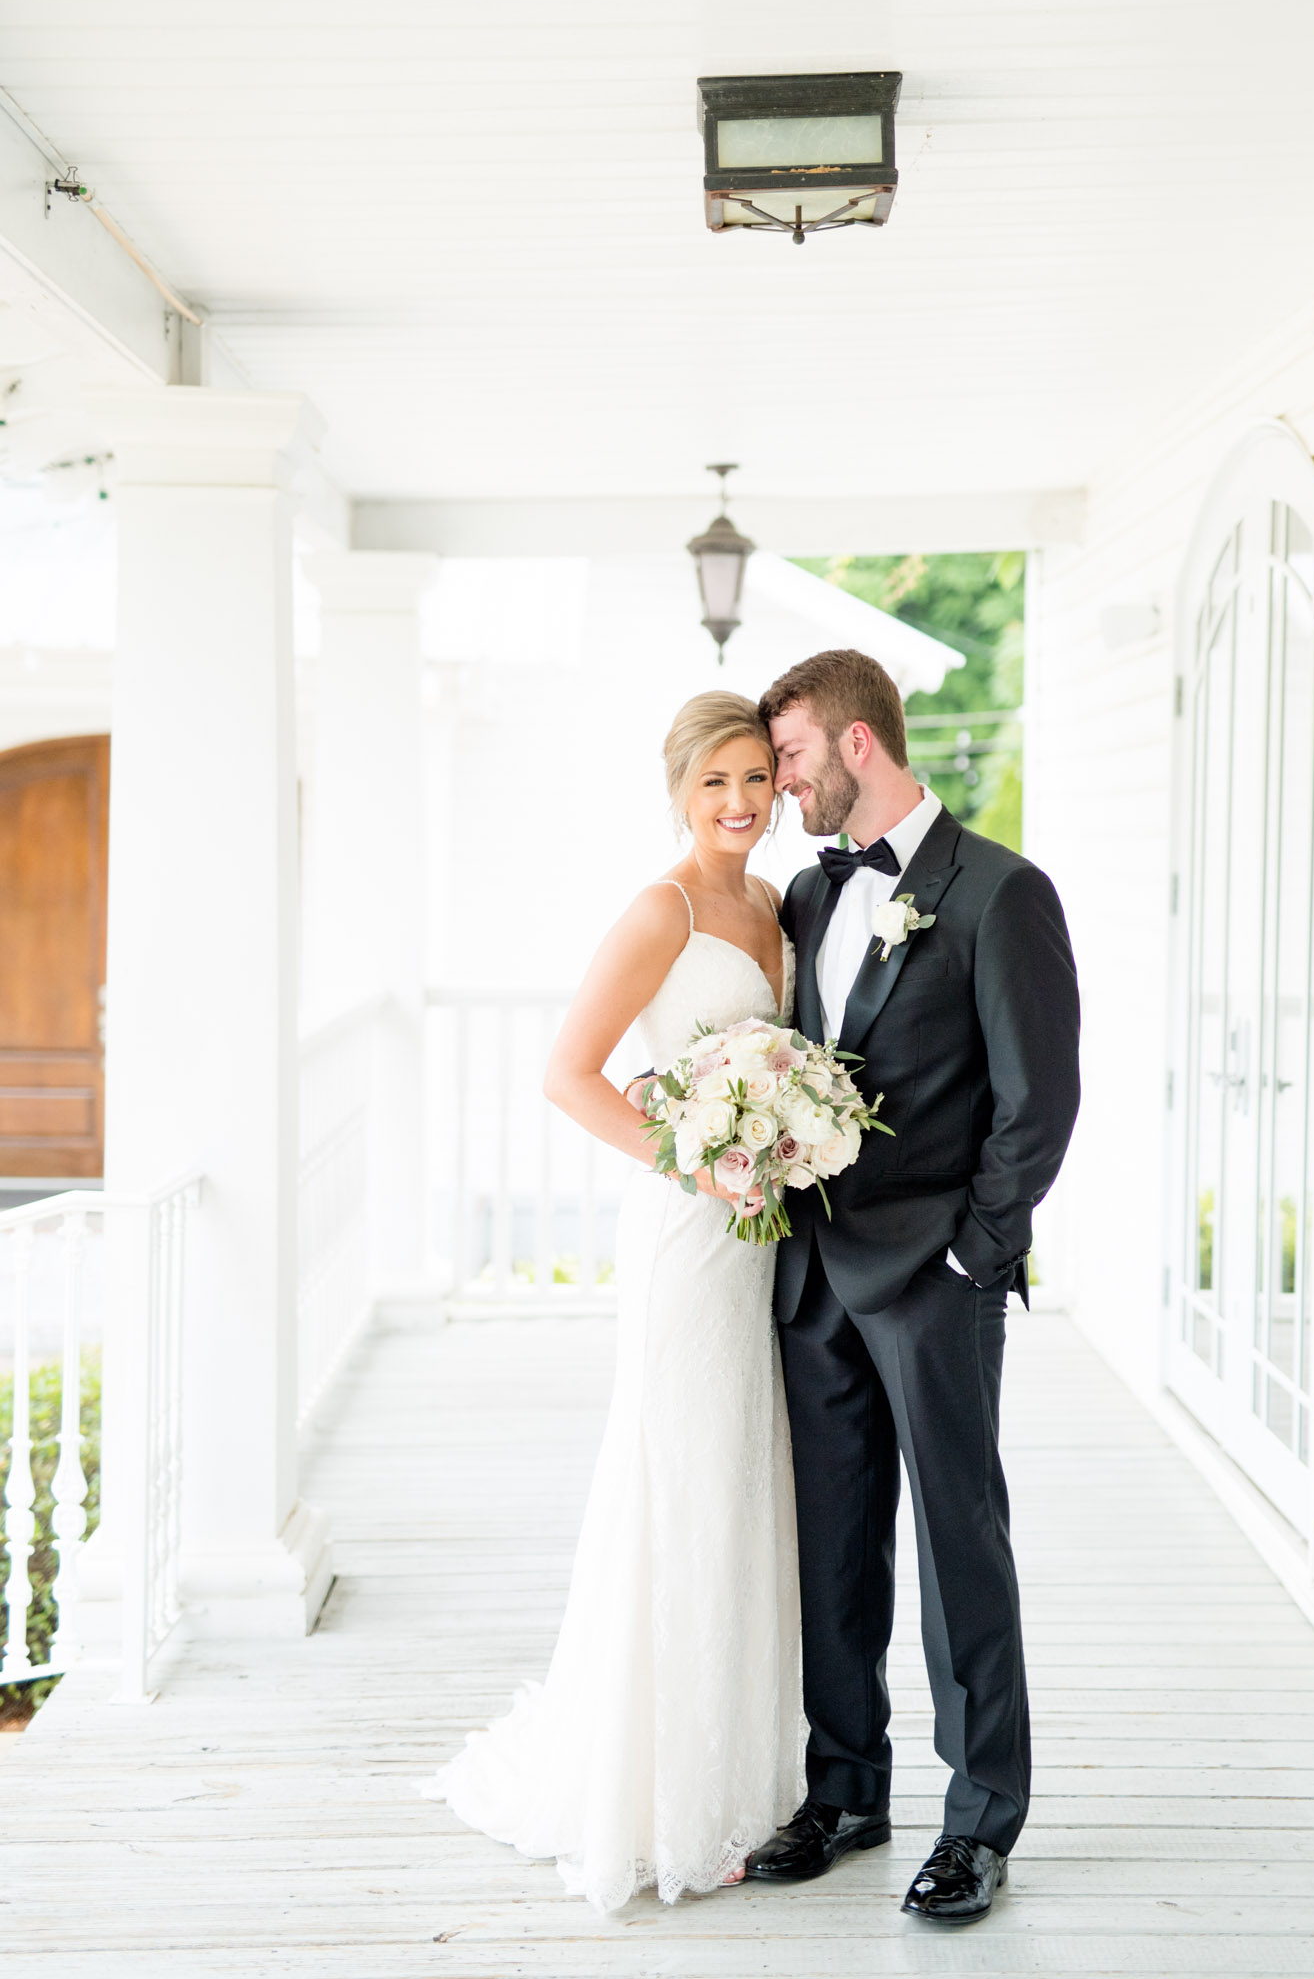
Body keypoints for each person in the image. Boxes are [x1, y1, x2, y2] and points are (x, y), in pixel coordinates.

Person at [422, 691, 804, 1914]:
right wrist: (697, 1157)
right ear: (679, 794)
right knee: (679, 1483)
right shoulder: (666, 909)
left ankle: (742, 1772)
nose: (739, 803)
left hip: (761, 1240)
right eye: (715, 786)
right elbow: (567, 1075)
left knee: (741, 1486)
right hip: (690, 1235)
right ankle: (655, 1792)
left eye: (755, 778)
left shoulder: (778, 906)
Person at [745, 647, 1081, 1924]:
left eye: (787, 759)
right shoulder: (803, 897)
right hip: (812, 1272)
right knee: (832, 1546)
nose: (780, 787)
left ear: (856, 746)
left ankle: (979, 1819)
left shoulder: (999, 892)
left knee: (956, 1544)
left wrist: (970, 1252)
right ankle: (845, 1791)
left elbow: (1036, 1100)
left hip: (935, 1279)